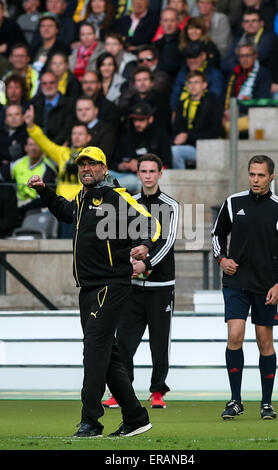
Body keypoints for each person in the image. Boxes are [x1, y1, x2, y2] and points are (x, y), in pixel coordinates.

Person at [27, 145, 161, 437]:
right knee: (106, 354)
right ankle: (136, 417)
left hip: (110, 284)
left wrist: (145, 246)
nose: (85, 169)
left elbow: (150, 222)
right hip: (89, 287)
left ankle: (91, 421)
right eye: (81, 165)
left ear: (104, 168)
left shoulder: (116, 197)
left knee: (94, 351)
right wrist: (44, 191)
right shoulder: (83, 198)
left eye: (92, 164)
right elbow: (65, 212)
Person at [211, 154, 278, 420]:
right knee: (235, 336)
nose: (255, 179)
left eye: (261, 175)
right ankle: (235, 400)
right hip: (236, 282)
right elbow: (217, 235)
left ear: (272, 176)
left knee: (264, 341)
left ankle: (267, 403)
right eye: (252, 174)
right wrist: (222, 259)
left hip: (265, 285)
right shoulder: (233, 202)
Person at [103, 153, 179, 410]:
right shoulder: (129, 203)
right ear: (138, 173)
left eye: (151, 171)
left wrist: (146, 264)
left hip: (161, 287)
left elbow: (167, 242)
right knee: (124, 341)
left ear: (160, 173)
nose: (147, 175)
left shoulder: (171, 205)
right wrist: (129, 263)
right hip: (132, 286)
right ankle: (122, 392)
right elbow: (119, 239)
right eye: (143, 171)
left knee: (159, 343)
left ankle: (158, 391)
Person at [171, 70, 223, 169]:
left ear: (204, 85)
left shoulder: (213, 102)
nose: (192, 86)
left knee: (175, 151)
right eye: (190, 83)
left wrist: (188, 136)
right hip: (187, 146)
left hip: (207, 148)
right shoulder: (182, 103)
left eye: (196, 82)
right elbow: (176, 129)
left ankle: (180, 182)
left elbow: (214, 132)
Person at [223, 40, 272, 138]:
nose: (244, 59)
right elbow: (228, 95)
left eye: (248, 55)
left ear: (255, 55)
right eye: (241, 56)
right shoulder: (235, 73)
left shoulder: (262, 74)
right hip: (232, 113)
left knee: (227, 127)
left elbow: (261, 99)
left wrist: (236, 109)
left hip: (252, 116)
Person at [30, 71, 76, 145]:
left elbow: (67, 131)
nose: (48, 86)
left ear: (57, 84)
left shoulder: (70, 104)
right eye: (44, 83)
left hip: (59, 148)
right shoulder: (34, 105)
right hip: (37, 148)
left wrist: (49, 148)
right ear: (40, 86)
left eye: (52, 82)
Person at [75, 96, 116, 160]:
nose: (83, 112)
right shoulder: (72, 128)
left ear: (96, 111)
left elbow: (103, 156)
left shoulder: (107, 130)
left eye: (87, 109)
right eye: (79, 110)